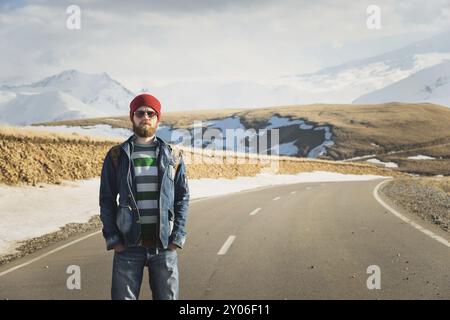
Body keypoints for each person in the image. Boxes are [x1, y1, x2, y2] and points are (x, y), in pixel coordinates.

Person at [99, 93, 189, 300]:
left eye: (151, 113)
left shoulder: (173, 155)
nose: (145, 116)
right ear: (132, 117)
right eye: (140, 113)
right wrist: (114, 239)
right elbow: (107, 198)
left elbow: (182, 197)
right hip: (128, 246)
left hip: (164, 245)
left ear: (158, 118)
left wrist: (177, 236)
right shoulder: (116, 155)